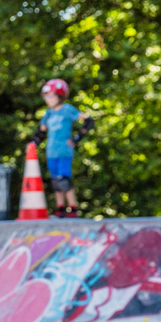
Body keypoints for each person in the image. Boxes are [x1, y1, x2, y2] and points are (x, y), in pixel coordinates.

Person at [31, 78, 94, 218]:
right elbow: (41, 132)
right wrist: (33, 144)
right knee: (55, 181)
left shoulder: (67, 110)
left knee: (63, 180)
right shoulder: (48, 113)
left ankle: (72, 209)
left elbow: (88, 121)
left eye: (51, 95)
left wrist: (76, 138)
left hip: (64, 151)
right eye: (46, 96)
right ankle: (60, 208)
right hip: (51, 152)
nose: (48, 99)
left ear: (60, 96)